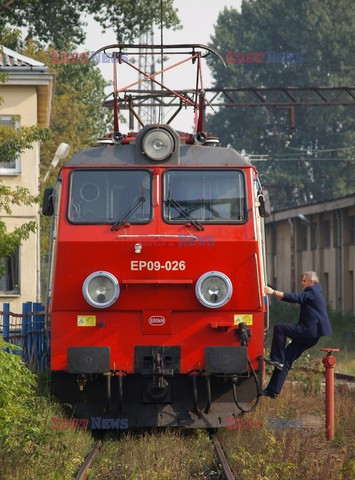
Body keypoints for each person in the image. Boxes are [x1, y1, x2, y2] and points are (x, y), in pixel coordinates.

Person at [263, 271, 332, 399]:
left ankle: (276, 358)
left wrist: (273, 292)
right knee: (286, 361)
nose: (302, 283)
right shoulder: (315, 292)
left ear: (311, 282)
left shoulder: (313, 292)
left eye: (304, 280)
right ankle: (273, 390)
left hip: (308, 332)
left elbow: (296, 298)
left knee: (279, 327)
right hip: (310, 336)